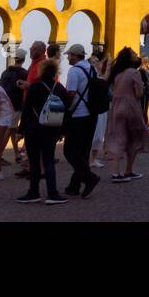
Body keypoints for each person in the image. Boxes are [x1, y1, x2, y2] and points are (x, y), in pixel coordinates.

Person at [15, 58, 69, 204]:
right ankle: (52, 193)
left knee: (34, 162)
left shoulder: (35, 87)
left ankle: (34, 192)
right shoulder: (60, 88)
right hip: (52, 129)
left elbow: (26, 110)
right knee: (49, 160)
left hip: (33, 128)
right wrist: (63, 130)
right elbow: (65, 111)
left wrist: (20, 131)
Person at [104, 47, 149, 182]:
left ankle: (116, 172)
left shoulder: (117, 74)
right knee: (135, 138)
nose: (137, 55)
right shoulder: (134, 73)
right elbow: (139, 94)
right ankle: (128, 170)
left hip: (117, 108)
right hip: (131, 108)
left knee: (119, 138)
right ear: (130, 58)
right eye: (134, 54)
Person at [61, 44, 100, 198]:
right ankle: (74, 186)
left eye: (69, 55)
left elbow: (70, 93)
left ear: (75, 56)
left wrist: (66, 110)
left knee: (69, 150)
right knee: (83, 151)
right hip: (91, 114)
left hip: (78, 115)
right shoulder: (92, 69)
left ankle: (89, 178)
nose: (68, 58)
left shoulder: (74, 71)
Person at [0, 47, 29, 168]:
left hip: (4, 104)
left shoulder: (5, 72)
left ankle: (16, 154)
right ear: (23, 59)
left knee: (12, 130)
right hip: (15, 105)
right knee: (9, 130)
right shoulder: (23, 73)